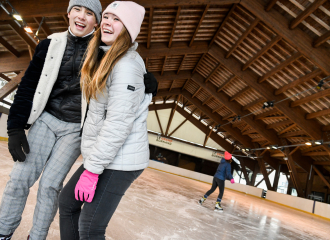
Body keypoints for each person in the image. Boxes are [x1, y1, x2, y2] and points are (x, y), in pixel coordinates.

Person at [0, 0, 157, 239]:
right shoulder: (50, 44)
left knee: (50, 186)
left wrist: (146, 82)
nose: (82, 17)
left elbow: (125, 73)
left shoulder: (102, 49)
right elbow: (28, 86)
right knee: (19, 179)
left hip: (75, 128)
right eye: (77, 9)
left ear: (95, 21)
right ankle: (3, 231)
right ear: (68, 12)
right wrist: (15, 128)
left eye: (90, 13)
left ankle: (37, 236)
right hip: (46, 119)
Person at [58, 1, 150, 239]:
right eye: (106, 16)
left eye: (116, 19)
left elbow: (118, 124)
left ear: (128, 29)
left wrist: (92, 170)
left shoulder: (126, 65)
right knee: (68, 204)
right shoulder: (104, 57)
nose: (108, 21)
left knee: (90, 227)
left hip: (121, 159)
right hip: (105, 154)